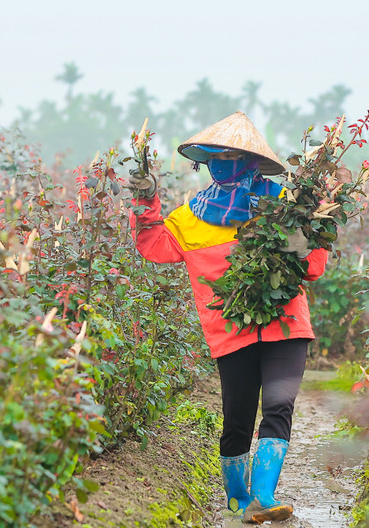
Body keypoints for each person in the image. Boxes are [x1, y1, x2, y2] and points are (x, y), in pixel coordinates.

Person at [127, 111, 328, 524]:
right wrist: (145, 201)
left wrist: (304, 240)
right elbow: (152, 245)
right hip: (229, 331)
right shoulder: (188, 217)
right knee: (237, 416)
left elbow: (313, 267)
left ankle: (263, 496)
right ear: (206, 162)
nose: (223, 163)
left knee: (278, 405)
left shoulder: (282, 208)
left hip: (286, 323)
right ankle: (237, 501)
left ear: (250, 162)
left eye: (232, 156)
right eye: (216, 156)